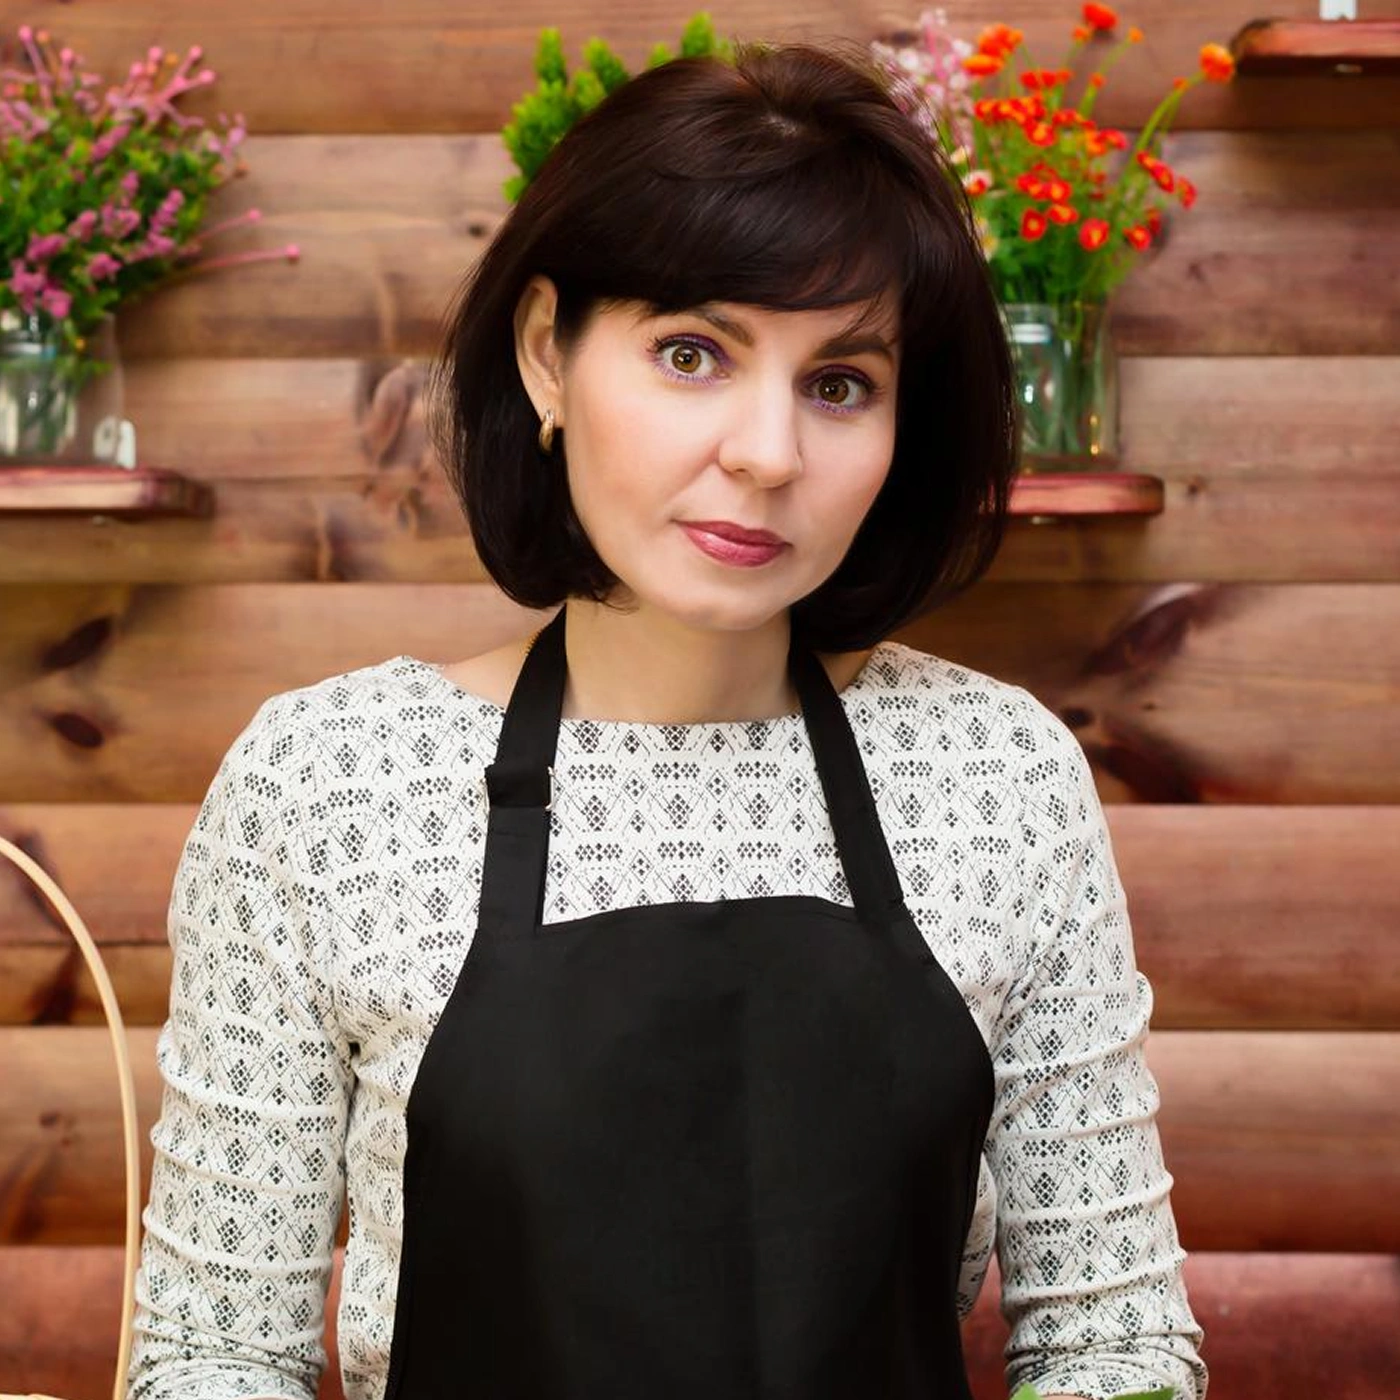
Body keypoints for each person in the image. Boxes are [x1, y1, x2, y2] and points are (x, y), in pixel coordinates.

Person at [126, 40, 1206, 1400]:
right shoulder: (330, 786)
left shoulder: (999, 778)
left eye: (840, 383)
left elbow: (1114, 1341)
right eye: (693, 353)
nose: (767, 453)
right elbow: (214, 1356)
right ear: (547, 356)